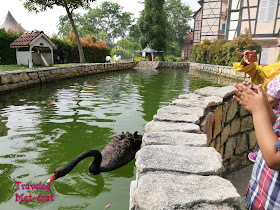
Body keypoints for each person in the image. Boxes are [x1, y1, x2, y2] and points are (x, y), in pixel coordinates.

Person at [233, 83, 280, 209]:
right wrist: (264, 105)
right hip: (258, 197)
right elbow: (277, 126)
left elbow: (274, 159)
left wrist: (258, 110)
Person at [234, 51, 280, 162]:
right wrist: (247, 62)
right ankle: (260, 151)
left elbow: (274, 160)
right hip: (273, 116)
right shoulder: (277, 67)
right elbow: (259, 72)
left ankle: (261, 151)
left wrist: (259, 108)